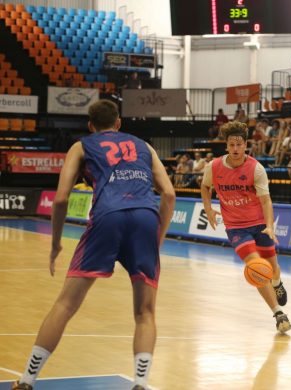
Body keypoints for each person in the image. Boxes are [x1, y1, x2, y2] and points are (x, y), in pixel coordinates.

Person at [11, 100, 176, 390]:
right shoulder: (144, 146)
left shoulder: (81, 146)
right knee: (145, 312)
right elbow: (170, 194)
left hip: (107, 217)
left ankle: (26, 380)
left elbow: (61, 199)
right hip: (146, 219)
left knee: (65, 304)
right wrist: (157, 237)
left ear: (90, 125)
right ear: (119, 123)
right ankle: (140, 382)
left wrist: (56, 244)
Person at [200, 121, 291, 333]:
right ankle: (279, 314)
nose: (235, 149)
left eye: (239, 144)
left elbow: (266, 200)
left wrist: (269, 226)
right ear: (226, 146)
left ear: (245, 144)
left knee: (272, 267)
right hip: (235, 227)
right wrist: (208, 208)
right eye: (231, 144)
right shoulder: (213, 167)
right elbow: (205, 187)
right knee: (256, 267)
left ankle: (277, 283)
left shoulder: (256, 169)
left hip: (259, 223)